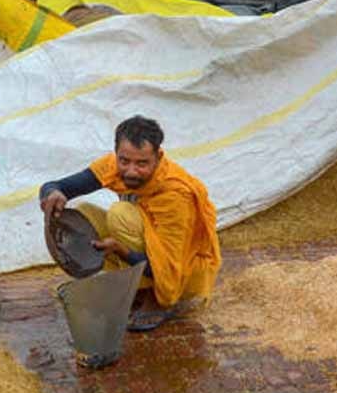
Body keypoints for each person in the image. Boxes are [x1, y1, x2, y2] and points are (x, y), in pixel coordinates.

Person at [39, 116, 223, 331]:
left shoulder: (175, 194)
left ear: (158, 157)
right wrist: (52, 193)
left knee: (121, 214)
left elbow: (170, 266)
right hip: (149, 254)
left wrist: (121, 251)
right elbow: (59, 186)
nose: (131, 171)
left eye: (142, 163)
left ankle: (155, 298)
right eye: (124, 161)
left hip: (182, 273)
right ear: (116, 154)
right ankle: (133, 288)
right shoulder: (113, 166)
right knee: (83, 214)